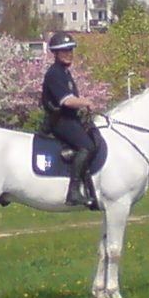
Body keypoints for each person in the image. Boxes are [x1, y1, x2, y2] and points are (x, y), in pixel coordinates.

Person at [41, 32, 97, 208]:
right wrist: (86, 102)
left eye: (70, 50)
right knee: (87, 146)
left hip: (69, 119)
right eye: (63, 51)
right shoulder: (54, 74)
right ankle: (73, 192)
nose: (68, 54)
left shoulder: (65, 73)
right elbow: (67, 101)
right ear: (55, 54)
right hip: (60, 121)